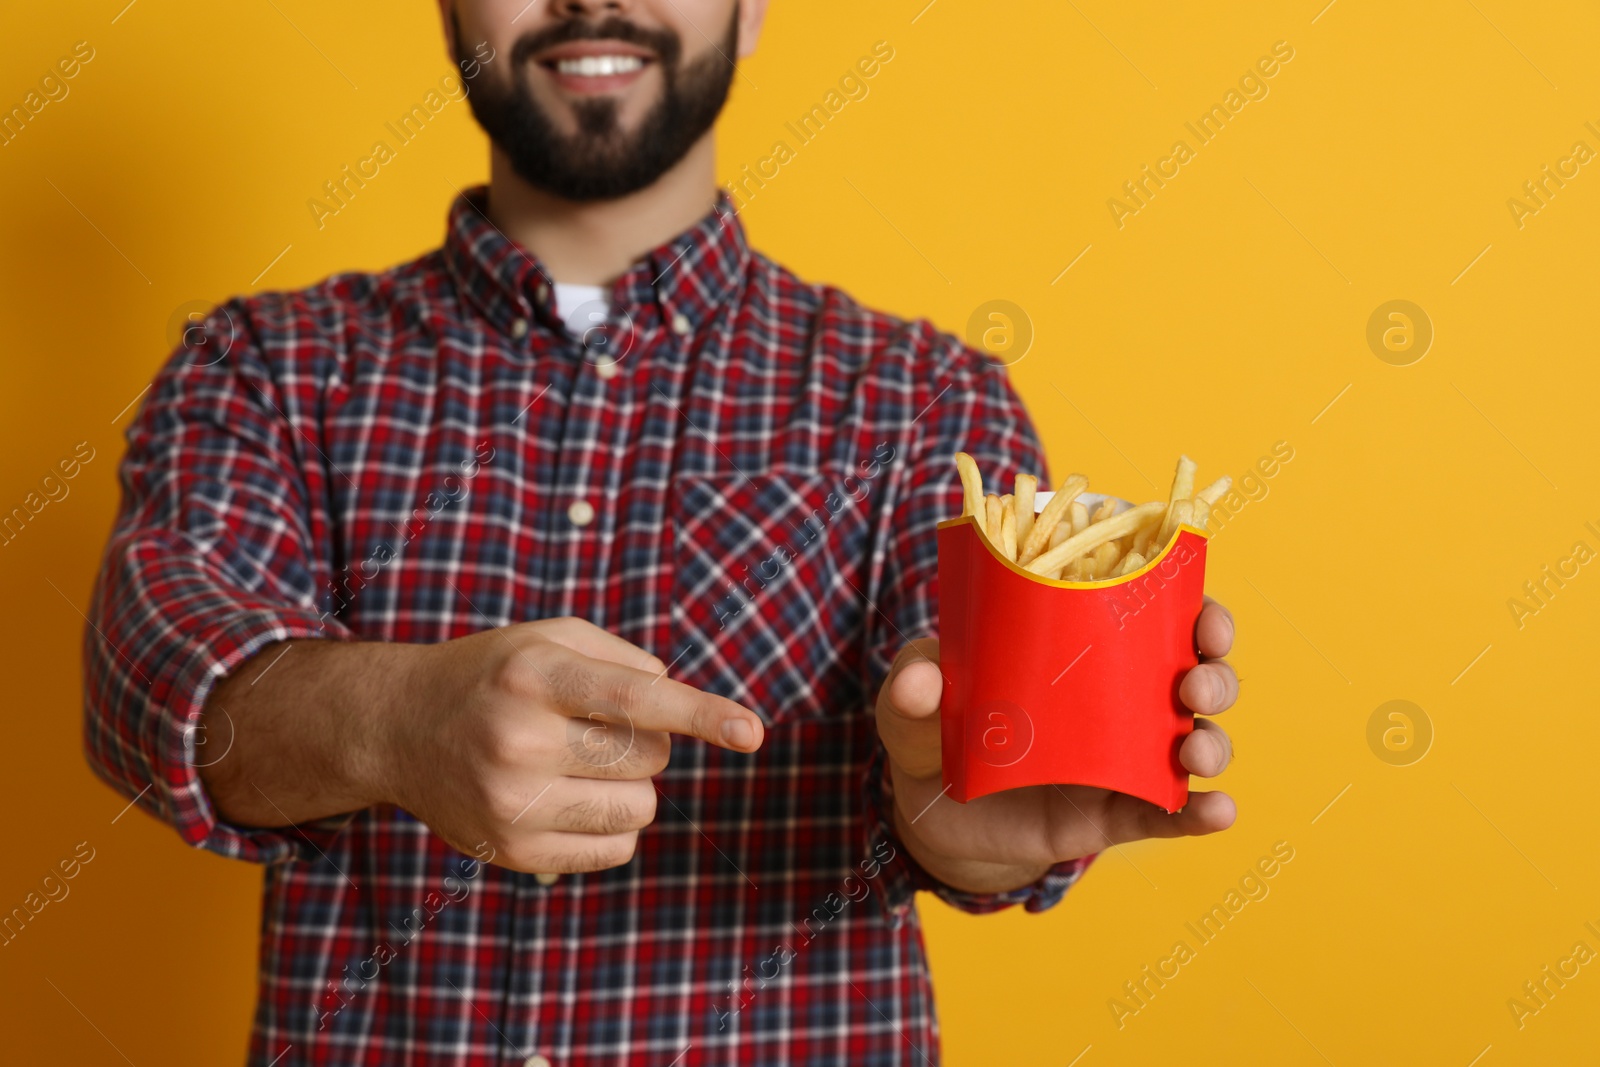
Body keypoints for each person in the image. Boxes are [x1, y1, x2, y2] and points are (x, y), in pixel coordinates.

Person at [82, 1, 1241, 1063]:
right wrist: (396, 719)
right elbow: (146, 687)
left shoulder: (928, 403)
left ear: (751, 12)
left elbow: (967, 789)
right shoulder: (265, 365)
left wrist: (983, 823)